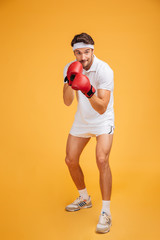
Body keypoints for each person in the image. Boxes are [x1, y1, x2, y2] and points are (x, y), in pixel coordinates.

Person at [63, 32, 115, 234]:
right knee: (70, 160)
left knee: (102, 160)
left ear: (92, 50)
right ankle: (84, 198)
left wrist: (87, 89)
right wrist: (70, 79)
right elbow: (67, 101)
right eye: (78, 53)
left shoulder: (104, 70)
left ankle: (106, 212)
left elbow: (102, 107)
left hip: (103, 121)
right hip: (82, 120)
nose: (82, 57)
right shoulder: (71, 66)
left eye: (86, 52)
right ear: (74, 53)